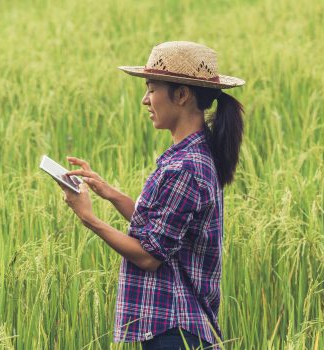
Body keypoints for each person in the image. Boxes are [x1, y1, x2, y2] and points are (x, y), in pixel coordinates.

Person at [58, 41, 245, 350]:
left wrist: (88, 218)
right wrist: (110, 194)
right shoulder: (192, 155)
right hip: (178, 327)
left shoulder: (185, 167)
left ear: (182, 95)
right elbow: (165, 231)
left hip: (175, 328)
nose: (145, 100)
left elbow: (150, 256)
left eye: (151, 89)